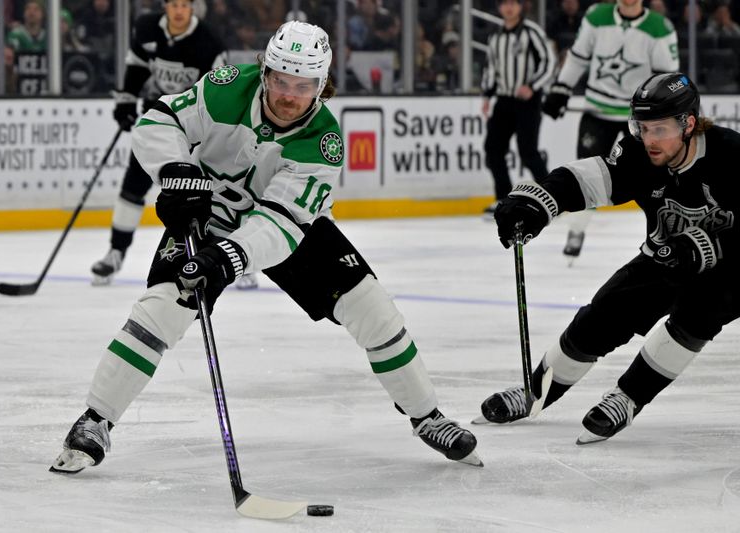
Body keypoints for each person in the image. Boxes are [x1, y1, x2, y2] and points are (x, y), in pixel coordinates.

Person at [50, 21, 481, 475]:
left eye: (304, 85)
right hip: (206, 217)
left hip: (287, 231)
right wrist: (176, 171)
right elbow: (159, 120)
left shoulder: (324, 143)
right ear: (265, 72)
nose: (288, 95)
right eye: (280, 80)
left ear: (322, 85)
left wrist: (228, 256)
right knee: (161, 310)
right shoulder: (226, 87)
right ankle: (95, 420)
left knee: (372, 309)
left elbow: (280, 223)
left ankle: (427, 415)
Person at [479, 72, 740, 444]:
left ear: (689, 125)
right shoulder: (639, 152)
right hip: (665, 256)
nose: (649, 139)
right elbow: (590, 179)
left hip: (729, 269)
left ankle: (628, 397)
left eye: (659, 129)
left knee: (698, 312)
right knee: (602, 314)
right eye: (642, 127)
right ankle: (535, 392)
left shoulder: (730, 154)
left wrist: (706, 247)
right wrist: (537, 203)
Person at [89, 0, 237, 285]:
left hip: (197, 129)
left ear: (193, 8)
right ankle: (116, 252)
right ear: (165, 6)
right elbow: (136, 68)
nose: (179, 10)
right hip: (159, 123)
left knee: (210, 194)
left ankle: (232, 255)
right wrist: (126, 102)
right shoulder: (147, 29)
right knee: (133, 185)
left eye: (184, 4)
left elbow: (220, 90)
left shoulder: (209, 42)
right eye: (174, 4)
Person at [541, 0, 678, 259]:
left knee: (654, 179)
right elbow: (578, 56)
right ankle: (577, 229)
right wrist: (561, 87)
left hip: (640, 117)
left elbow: (666, 78)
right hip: (598, 111)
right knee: (585, 172)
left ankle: (664, 235)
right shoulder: (597, 16)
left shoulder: (659, 27)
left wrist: (664, 113)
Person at [481, 0, 556, 217]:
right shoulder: (495, 36)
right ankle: (503, 199)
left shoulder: (531, 32)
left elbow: (548, 62)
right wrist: (487, 95)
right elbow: (491, 68)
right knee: (493, 150)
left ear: (521, 6)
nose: (509, 8)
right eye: (504, 3)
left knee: (528, 151)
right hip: (504, 100)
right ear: (499, 8)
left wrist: (533, 86)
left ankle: (554, 197)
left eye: (513, 3)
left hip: (528, 101)